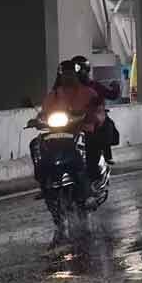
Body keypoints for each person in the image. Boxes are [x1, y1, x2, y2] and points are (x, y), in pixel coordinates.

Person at [35, 60, 105, 203]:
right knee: (36, 145)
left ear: (76, 75)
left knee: (92, 146)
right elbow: (44, 112)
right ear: (60, 76)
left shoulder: (88, 93)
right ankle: (44, 184)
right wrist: (37, 119)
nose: (67, 77)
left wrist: (91, 116)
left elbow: (98, 112)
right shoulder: (53, 95)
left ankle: (91, 184)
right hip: (58, 132)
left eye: (71, 74)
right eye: (64, 74)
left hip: (82, 130)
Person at [71, 55, 121, 165]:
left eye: (79, 70)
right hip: (73, 117)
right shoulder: (67, 89)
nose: (76, 74)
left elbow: (112, 95)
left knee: (106, 125)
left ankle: (106, 154)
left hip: (92, 116)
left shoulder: (94, 86)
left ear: (85, 70)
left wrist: (116, 87)